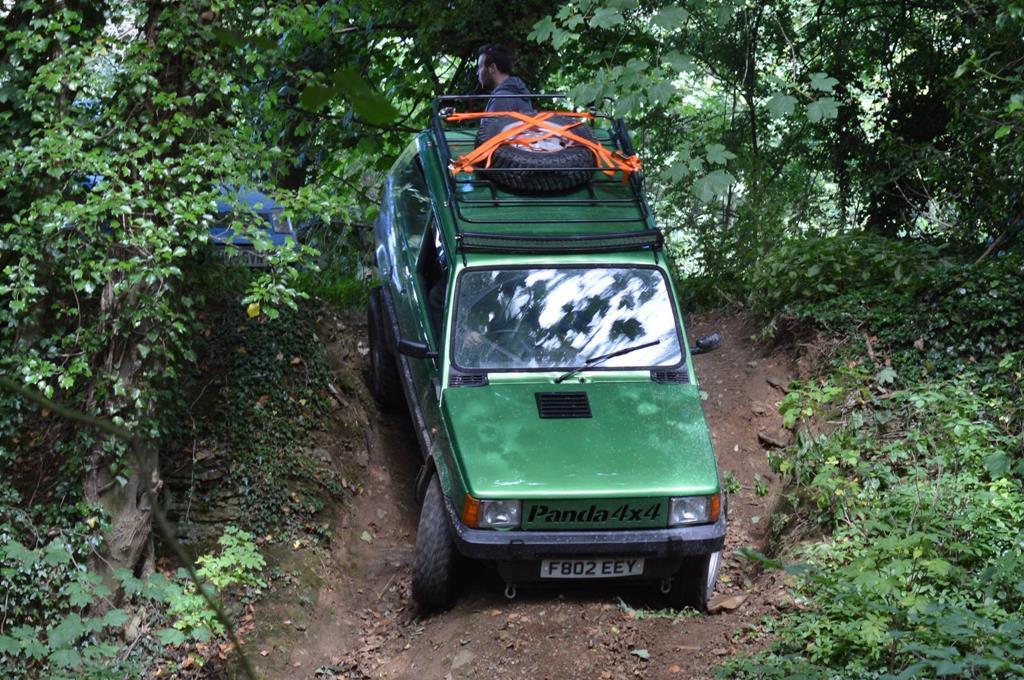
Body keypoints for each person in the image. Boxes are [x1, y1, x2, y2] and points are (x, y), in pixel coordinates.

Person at [477, 44, 534, 114]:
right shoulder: (518, 93)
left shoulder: (501, 99)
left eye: (480, 67)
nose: (477, 72)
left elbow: (491, 125)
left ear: (492, 68)